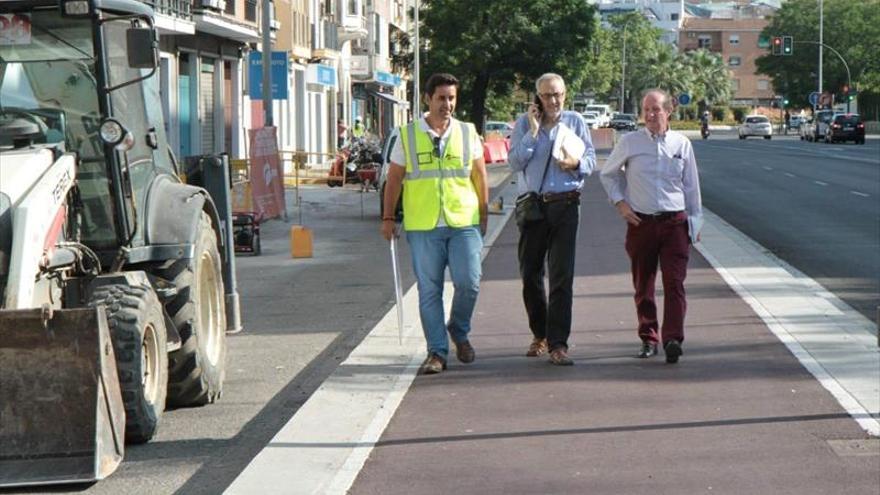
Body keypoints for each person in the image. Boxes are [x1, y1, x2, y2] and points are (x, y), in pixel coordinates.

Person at [381, 73, 489, 375]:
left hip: (463, 221)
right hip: (423, 225)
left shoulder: (468, 133)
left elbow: (479, 175)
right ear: (428, 98)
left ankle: (458, 329)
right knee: (430, 291)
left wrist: (483, 212)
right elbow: (394, 179)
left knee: (470, 282)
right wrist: (388, 217)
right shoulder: (407, 135)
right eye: (441, 98)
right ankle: (437, 352)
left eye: (452, 98)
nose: (447, 104)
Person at [599, 88, 703, 364]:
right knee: (643, 285)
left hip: (674, 223)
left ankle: (672, 339)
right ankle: (648, 338)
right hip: (641, 222)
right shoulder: (630, 142)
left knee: (675, 283)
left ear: (669, 111)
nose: (650, 115)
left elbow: (691, 186)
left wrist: (695, 221)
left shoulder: (681, 144)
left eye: (656, 109)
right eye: (646, 110)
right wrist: (621, 204)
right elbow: (608, 174)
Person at [508, 73, 596, 366]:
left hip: (566, 205)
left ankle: (558, 343)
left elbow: (591, 159)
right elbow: (514, 163)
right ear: (537, 97)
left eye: (557, 94)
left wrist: (576, 164)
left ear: (565, 94)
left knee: (561, 276)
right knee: (530, 274)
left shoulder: (575, 122)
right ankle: (540, 334)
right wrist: (533, 133)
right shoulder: (524, 124)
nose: (553, 101)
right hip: (533, 207)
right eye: (547, 95)